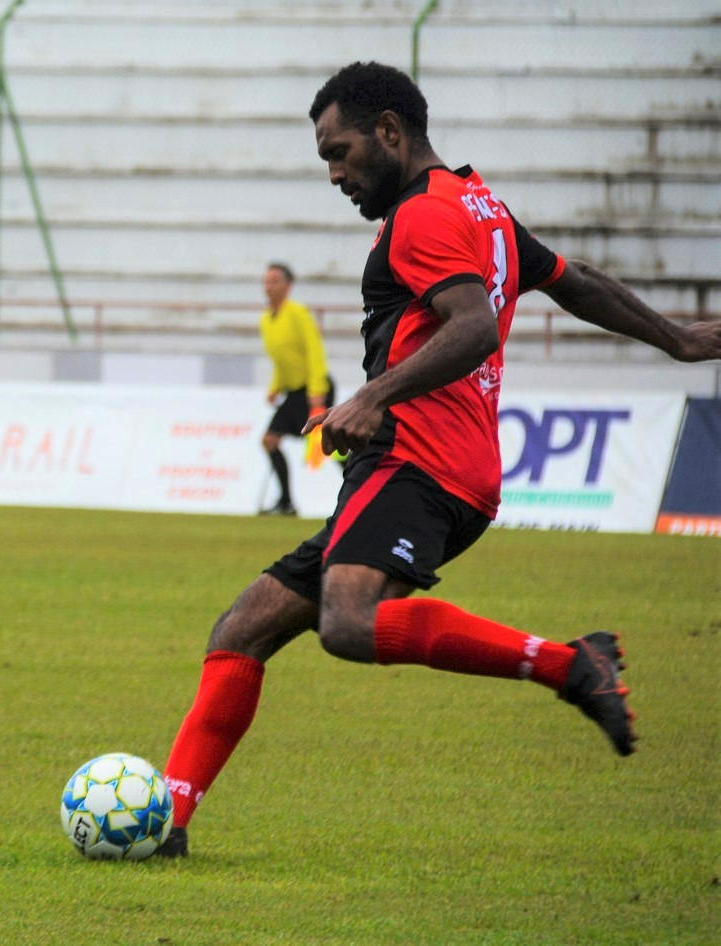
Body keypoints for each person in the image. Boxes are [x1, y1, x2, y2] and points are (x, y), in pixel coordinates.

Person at [156, 61, 721, 859]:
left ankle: (568, 665)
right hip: (439, 467)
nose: (334, 174)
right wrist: (677, 338)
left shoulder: (421, 216)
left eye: (339, 151)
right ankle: (166, 826)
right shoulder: (477, 204)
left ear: (389, 131)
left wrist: (372, 395)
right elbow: (573, 280)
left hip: (417, 463)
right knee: (241, 630)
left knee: (346, 624)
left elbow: (472, 326)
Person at [257, 262, 334, 516]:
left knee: (329, 445)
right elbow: (282, 360)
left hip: (313, 389)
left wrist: (317, 390)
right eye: (266, 281)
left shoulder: (298, 313)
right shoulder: (266, 320)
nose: (269, 286)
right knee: (270, 441)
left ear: (288, 286)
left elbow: (314, 351)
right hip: (294, 392)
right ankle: (286, 502)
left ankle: (360, 492)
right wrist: (275, 387)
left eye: (275, 281)